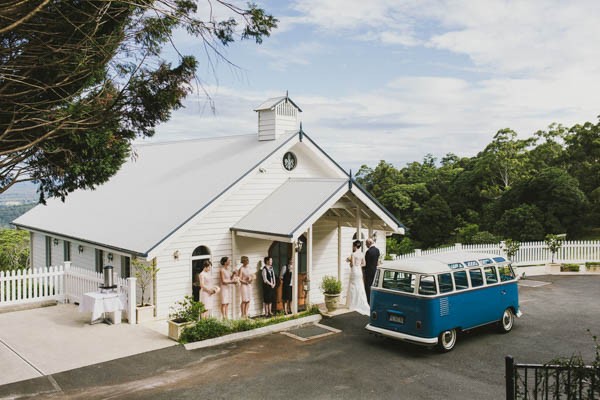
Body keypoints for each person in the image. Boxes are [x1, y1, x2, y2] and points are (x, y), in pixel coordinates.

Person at [346, 240, 370, 315]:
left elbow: (352, 264)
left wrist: (349, 261)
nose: (353, 247)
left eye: (353, 246)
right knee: (360, 286)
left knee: (353, 286)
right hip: (359, 271)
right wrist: (359, 265)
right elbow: (364, 264)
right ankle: (361, 302)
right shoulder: (362, 254)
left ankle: (353, 303)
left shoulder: (353, 254)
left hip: (354, 271)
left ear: (355, 246)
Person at [364, 237, 380, 304]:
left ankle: (369, 300)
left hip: (369, 271)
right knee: (374, 285)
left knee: (368, 286)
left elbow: (367, 263)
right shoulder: (377, 250)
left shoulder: (368, 252)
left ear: (369, 243)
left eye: (366, 244)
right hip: (375, 270)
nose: (365, 245)